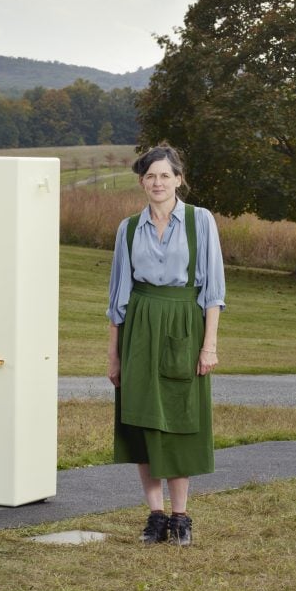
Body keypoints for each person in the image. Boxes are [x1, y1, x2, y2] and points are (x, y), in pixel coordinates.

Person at [106, 143, 225, 547]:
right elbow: (117, 299)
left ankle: (181, 516)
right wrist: (114, 355)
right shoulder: (127, 228)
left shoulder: (200, 221)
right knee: (141, 421)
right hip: (139, 327)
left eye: (165, 175)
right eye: (150, 176)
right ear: (142, 181)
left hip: (183, 326)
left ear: (178, 179)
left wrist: (209, 345)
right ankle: (155, 516)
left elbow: (213, 290)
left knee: (179, 419)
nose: (157, 183)